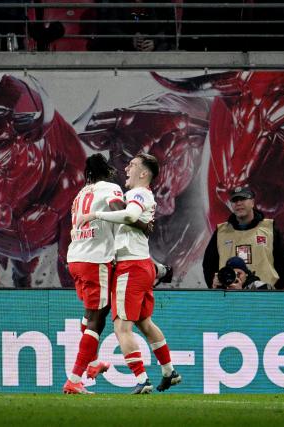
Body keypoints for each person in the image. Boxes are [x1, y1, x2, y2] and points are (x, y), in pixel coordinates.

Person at [79, 153, 181, 394]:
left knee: (121, 328)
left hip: (130, 267)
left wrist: (95, 214)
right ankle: (169, 371)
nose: (126, 168)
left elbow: (130, 215)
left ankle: (142, 379)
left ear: (144, 174)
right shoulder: (140, 195)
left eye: (133, 165)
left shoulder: (138, 193)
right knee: (145, 323)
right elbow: (134, 220)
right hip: (142, 264)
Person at [63, 153, 157, 394]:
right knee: (98, 318)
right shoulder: (110, 189)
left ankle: (93, 363)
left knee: (91, 314)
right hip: (95, 261)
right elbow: (122, 213)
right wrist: (143, 224)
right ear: (106, 170)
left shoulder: (81, 193)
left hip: (75, 257)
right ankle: (74, 378)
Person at [202, 186, 284, 290]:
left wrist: (275, 289)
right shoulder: (221, 232)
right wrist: (216, 289)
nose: (239, 203)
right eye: (235, 200)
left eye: (243, 198)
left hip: (265, 299)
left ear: (253, 202)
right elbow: (208, 265)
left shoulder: (269, 229)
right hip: (229, 299)